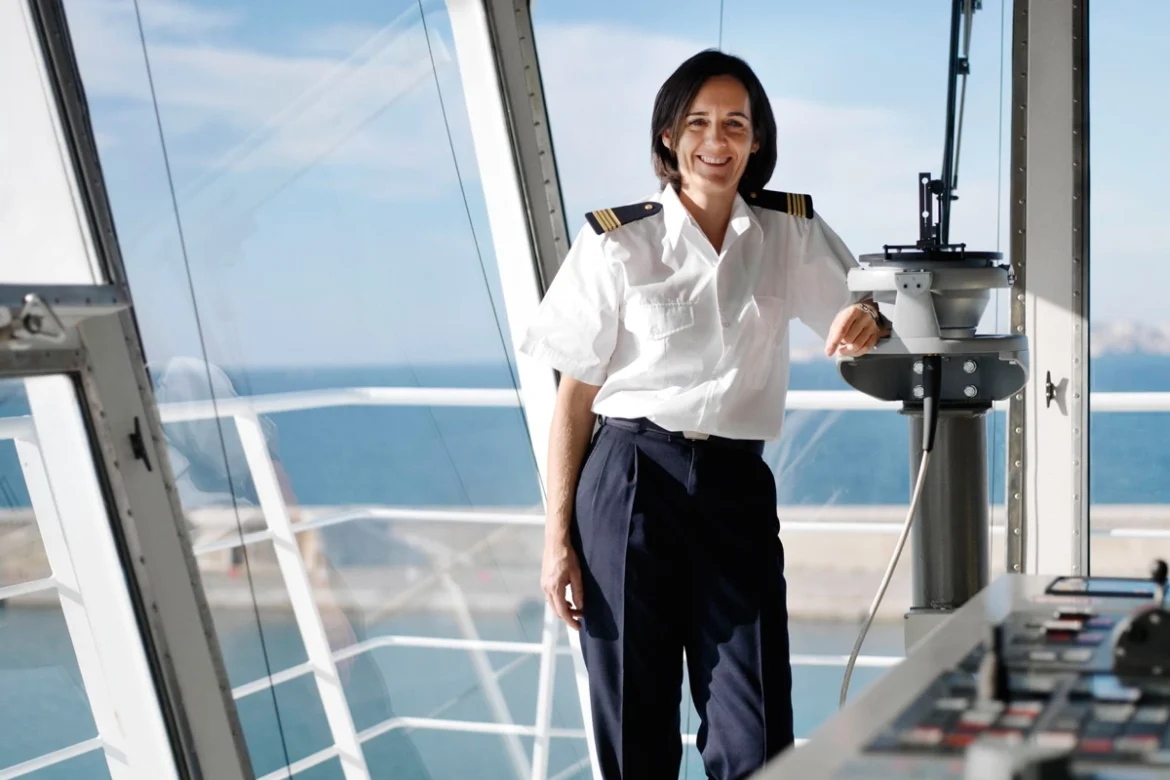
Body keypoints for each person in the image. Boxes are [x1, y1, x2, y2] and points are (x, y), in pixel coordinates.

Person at [519, 50, 890, 779]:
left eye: (734, 124)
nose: (715, 141)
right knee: (634, 730)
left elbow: (860, 307)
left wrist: (869, 318)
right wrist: (555, 537)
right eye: (697, 123)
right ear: (667, 137)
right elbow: (575, 396)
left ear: (757, 141)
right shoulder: (617, 242)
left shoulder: (791, 232)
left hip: (734, 487)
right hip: (628, 481)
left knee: (754, 734)